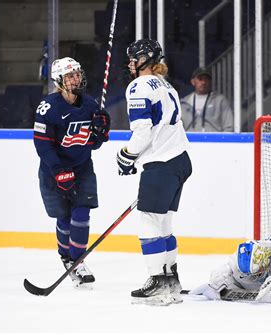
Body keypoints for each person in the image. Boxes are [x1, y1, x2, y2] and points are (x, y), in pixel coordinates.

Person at [117, 39, 192, 306]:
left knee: (149, 220)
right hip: (180, 161)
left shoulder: (138, 86)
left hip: (161, 163)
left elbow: (142, 132)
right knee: (164, 223)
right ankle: (171, 280)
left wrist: (127, 155)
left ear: (146, 60)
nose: (130, 63)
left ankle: (158, 283)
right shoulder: (164, 83)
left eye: (134, 58)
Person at [33, 57, 111, 289]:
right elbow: (42, 145)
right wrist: (58, 171)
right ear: (59, 81)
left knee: (81, 213)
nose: (76, 78)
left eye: (77, 73)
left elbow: (94, 144)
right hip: (53, 171)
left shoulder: (90, 105)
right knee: (64, 217)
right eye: (70, 76)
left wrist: (101, 130)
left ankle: (77, 261)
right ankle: (66, 257)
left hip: (83, 168)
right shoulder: (48, 107)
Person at [180, 67, 234, 132]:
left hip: (214, 141)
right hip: (189, 141)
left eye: (206, 79)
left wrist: (222, 141)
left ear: (211, 81)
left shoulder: (220, 101)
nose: (203, 82)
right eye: (200, 79)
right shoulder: (184, 102)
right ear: (193, 81)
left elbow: (228, 127)